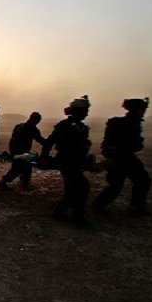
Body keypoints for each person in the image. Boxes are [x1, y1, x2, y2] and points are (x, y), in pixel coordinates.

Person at [92, 97, 152, 215]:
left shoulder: (133, 123)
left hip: (126, 156)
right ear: (135, 110)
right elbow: (110, 143)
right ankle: (101, 205)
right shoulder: (123, 123)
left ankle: (135, 207)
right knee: (122, 184)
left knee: (136, 182)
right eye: (141, 109)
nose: (143, 111)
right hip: (120, 157)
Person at [40, 96, 92, 225]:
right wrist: (43, 157)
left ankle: (73, 214)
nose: (87, 113)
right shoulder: (64, 125)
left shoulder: (81, 127)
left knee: (78, 187)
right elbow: (49, 142)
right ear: (78, 111)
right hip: (67, 162)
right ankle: (68, 214)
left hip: (76, 162)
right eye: (85, 110)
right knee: (78, 187)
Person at [0, 111, 46, 190]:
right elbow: (41, 140)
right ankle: (5, 182)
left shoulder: (19, 126)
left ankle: (23, 184)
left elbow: (12, 139)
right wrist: (49, 143)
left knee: (24, 167)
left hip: (14, 150)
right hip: (21, 152)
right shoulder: (32, 128)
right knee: (18, 169)